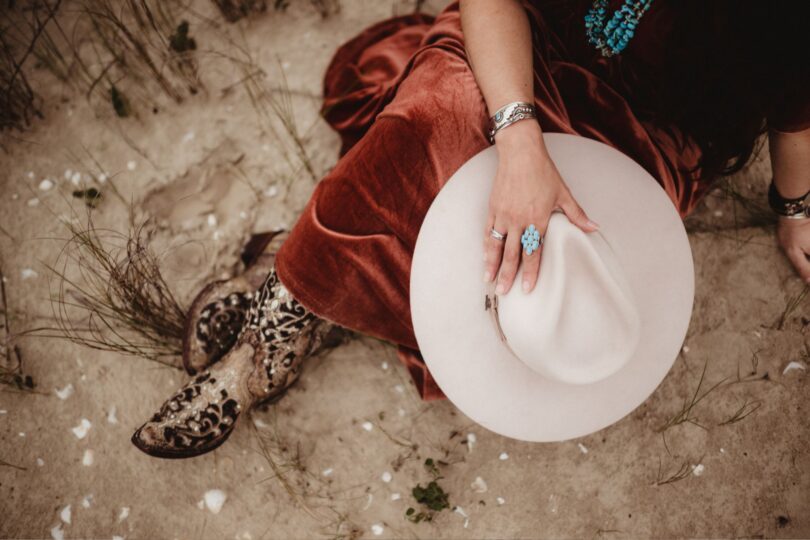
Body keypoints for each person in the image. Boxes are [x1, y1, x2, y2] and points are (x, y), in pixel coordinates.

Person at [131, 0, 810, 459]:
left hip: (647, 139)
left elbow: (795, 111)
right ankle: (289, 308)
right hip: (525, 49)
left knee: (549, 265)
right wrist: (519, 142)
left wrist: (795, 208)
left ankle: (326, 275)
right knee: (443, 117)